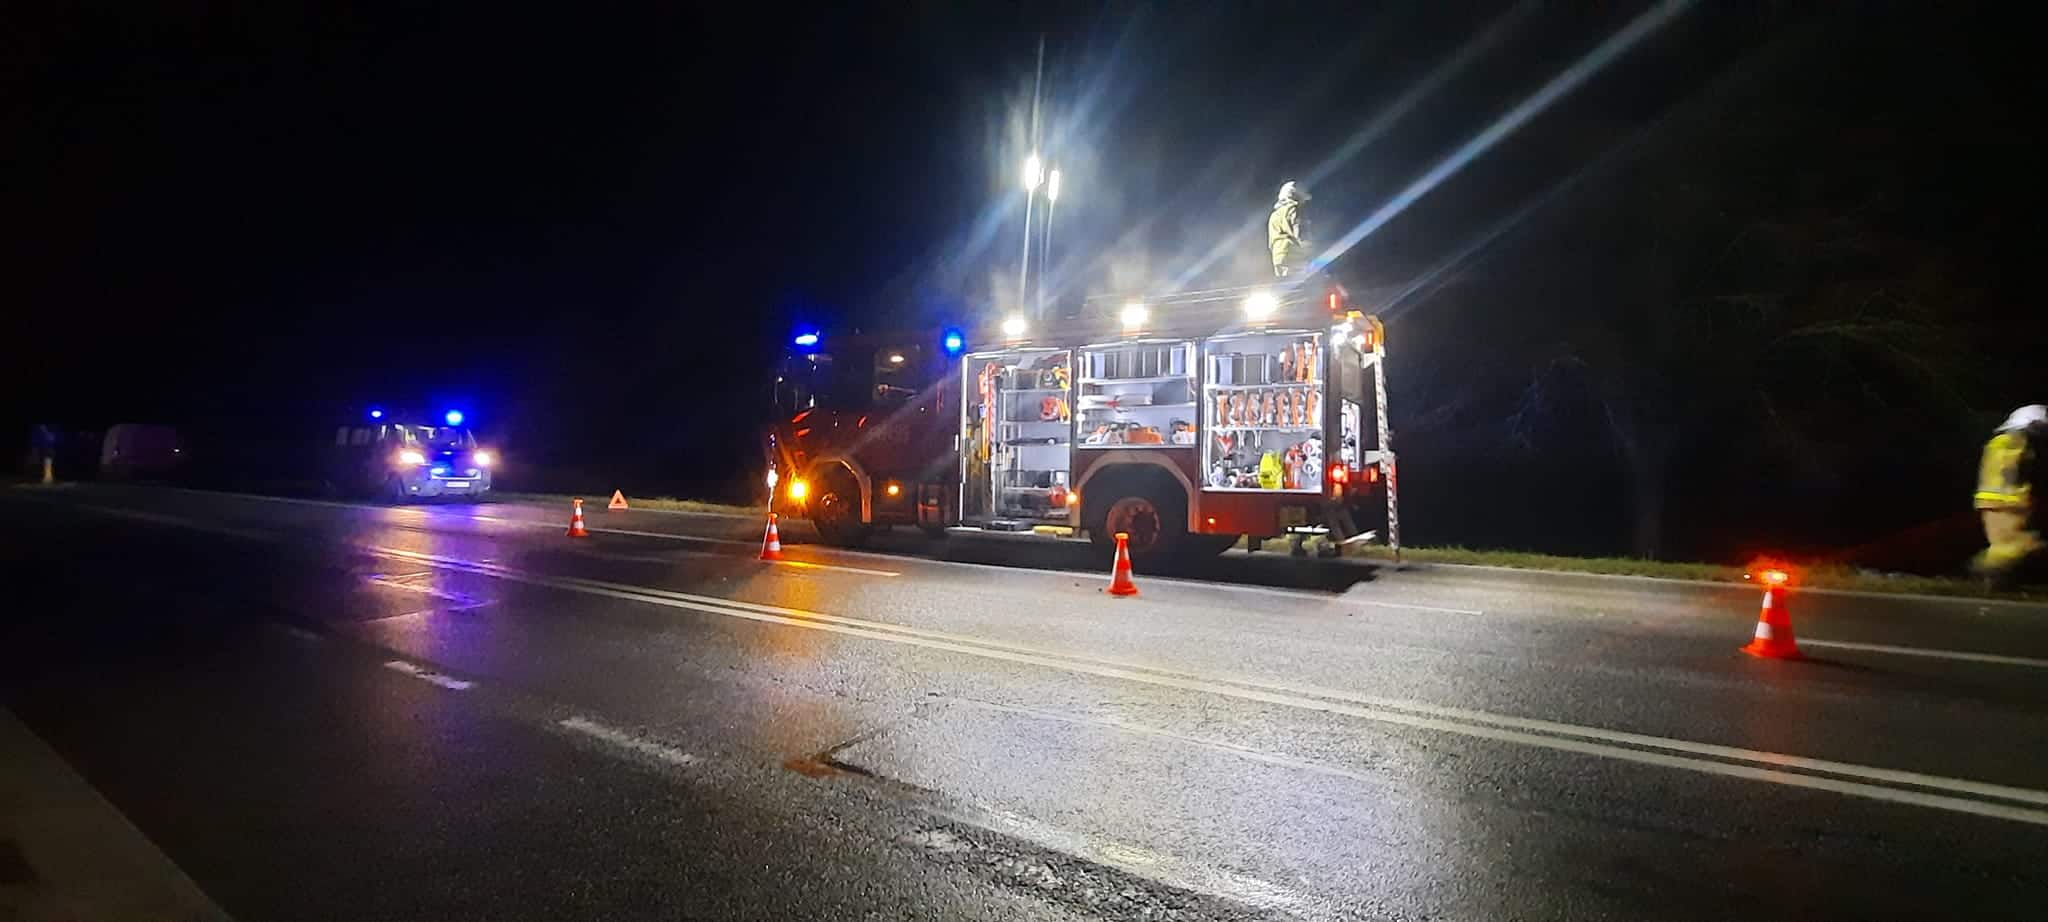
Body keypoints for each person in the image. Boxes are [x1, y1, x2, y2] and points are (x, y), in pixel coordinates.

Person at [1974, 404, 2047, 587]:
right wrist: (2021, 497)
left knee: (2003, 545)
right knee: (2020, 545)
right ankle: (1987, 571)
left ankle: (1994, 579)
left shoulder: (1998, 442)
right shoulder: (2016, 443)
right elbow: (2011, 472)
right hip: (2009, 503)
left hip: (1992, 502)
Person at [1267, 180, 1311, 278]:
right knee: (1304, 284)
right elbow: (1301, 234)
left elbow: (1271, 242)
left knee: (1287, 285)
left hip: (1278, 259)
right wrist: (1311, 250)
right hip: (1294, 257)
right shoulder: (1294, 209)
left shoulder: (1274, 215)